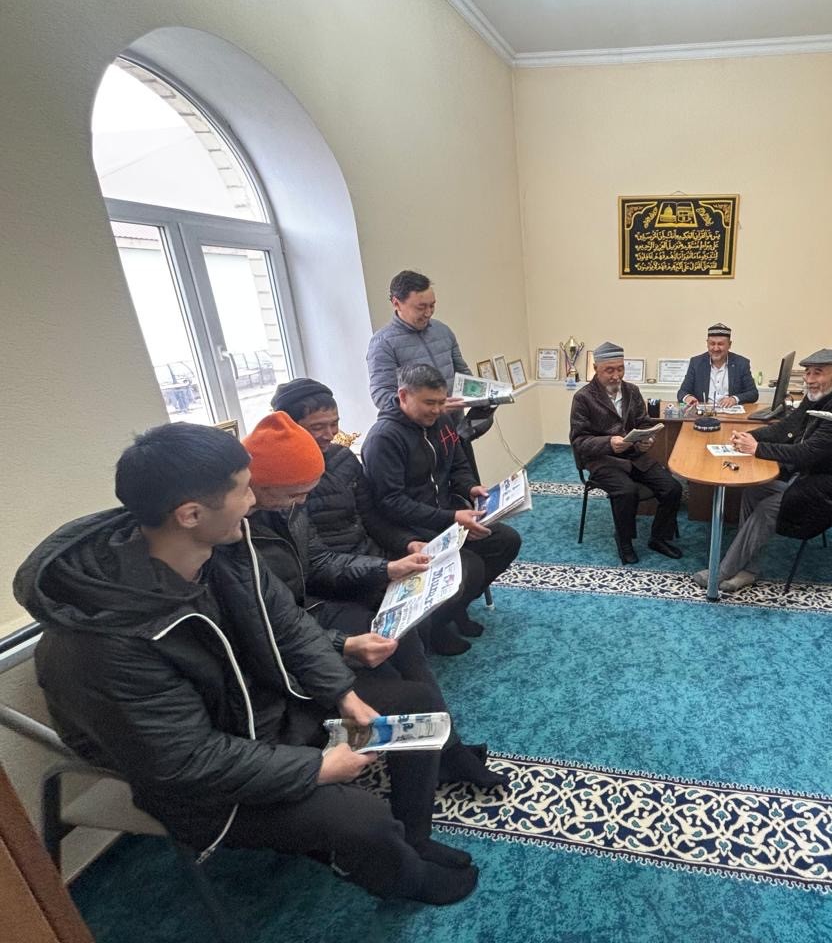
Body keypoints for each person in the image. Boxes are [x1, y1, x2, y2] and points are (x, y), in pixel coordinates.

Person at [13, 423, 478, 905]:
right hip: (204, 787)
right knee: (365, 819)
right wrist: (316, 767)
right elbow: (186, 762)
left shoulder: (225, 548)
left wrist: (343, 694)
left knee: (416, 704)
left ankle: (414, 840)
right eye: (242, 490)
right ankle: (406, 878)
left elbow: (288, 627)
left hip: (265, 713)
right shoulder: (105, 643)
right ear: (191, 514)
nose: (253, 501)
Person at [241, 410, 507, 789]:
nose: (302, 501)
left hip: (313, 603)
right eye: (295, 494)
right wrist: (343, 643)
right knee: (402, 680)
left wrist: (387, 568)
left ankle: (446, 751)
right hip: (304, 618)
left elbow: (319, 558)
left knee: (400, 639)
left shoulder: (288, 504)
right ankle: (445, 752)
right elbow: (269, 622)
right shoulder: (235, 534)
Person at [362, 363, 522, 655]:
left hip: (447, 518)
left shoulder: (443, 422)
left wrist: (470, 488)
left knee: (506, 541)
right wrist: (451, 517)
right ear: (403, 396)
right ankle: (437, 626)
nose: (437, 410)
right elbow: (391, 502)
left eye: (441, 401)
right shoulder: (383, 439)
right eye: (429, 403)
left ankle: (456, 608)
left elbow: (458, 464)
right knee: (470, 567)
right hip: (411, 531)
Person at [693, 348, 832, 593]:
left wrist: (757, 448)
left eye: (818, 373)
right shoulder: (819, 396)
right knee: (753, 492)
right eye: (807, 373)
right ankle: (748, 570)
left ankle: (722, 571)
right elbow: (787, 426)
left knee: (767, 509)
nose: (810, 379)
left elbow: (808, 452)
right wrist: (751, 436)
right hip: (815, 476)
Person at [270, 377, 419, 558]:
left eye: (334, 424)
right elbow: (317, 559)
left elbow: (371, 517)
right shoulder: (282, 480)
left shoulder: (343, 457)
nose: (330, 434)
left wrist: (407, 542)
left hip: (372, 557)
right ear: (289, 426)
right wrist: (388, 568)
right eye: (317, 427)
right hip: (337, 567)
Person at [570, 341, 682, 565]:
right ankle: (624, 541)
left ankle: (658, 538)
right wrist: (608, 443)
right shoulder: (583, 397)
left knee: (672, 488)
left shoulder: (632, 391)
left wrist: (646, 439)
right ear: (596, 368)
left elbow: (643, 422)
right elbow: (579, 441)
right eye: (609, 370)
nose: (616, 376)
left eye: (620, 369)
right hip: (602, 460)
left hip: (632, 455)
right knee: (626, 491)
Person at [366, 270, 470, 411]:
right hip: (417, 425)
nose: (428, 313)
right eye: (421, 307)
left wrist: (485, 395)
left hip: (455, 421)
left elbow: (463, 374)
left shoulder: (443, 331)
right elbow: (382, 396)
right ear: (396, 303)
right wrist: (429, 407)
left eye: (432, 305)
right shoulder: (382, 343)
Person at [676, 322, 759, 407]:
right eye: (712, 344)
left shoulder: (741, 363)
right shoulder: (696, 363)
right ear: (707, 344)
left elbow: (753, 393)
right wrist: (688, 398)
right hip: (704, 413)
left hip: (730, 412)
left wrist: (734, 399)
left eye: (720, 344)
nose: (716, 348)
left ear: (729, 345)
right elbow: (682, 392)